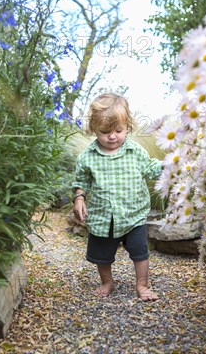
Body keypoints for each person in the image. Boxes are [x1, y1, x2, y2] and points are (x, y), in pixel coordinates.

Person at [72, 93, 162, 301]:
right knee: (101, 255)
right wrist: (79, 198)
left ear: (127, 126)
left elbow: (150, 169)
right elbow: (81, 182)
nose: (112, 136)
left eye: (118, 131)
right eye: (105, 132)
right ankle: (107, 281)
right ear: (94, 129)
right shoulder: (88, 157)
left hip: (133, 215)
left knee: (140, 253)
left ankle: (142, 285)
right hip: (104, 217)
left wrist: (170, 165)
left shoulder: (135, 151)